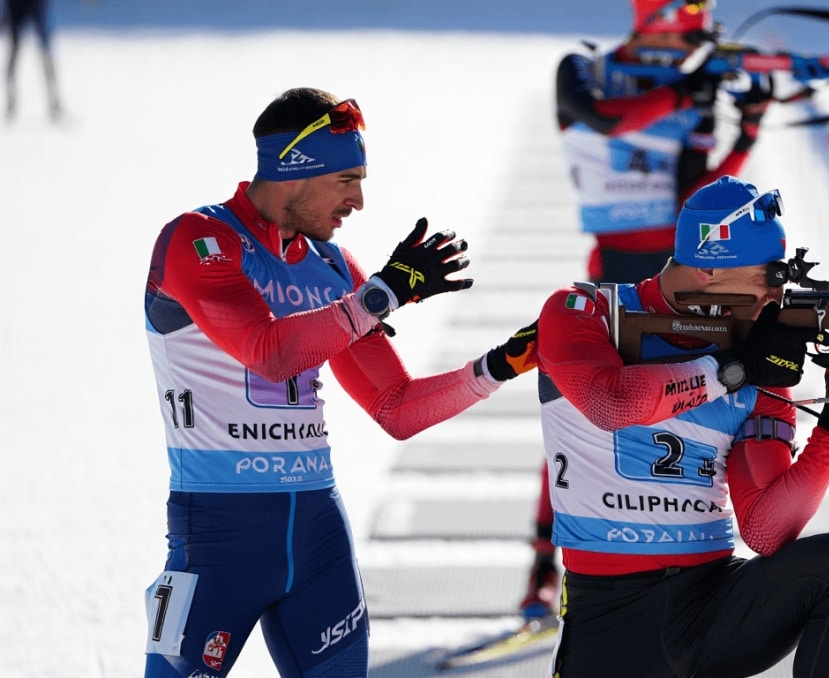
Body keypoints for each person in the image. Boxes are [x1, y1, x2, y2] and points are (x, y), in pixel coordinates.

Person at [141, 87, 537, 677]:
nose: (358, 200)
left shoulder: (330, 266)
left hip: (318, 535)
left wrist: (499, 366)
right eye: (346, 179)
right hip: (220, 533)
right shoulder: (200, 240)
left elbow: (396, 408)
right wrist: (379, 298)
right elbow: (268, 353)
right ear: (295, 168)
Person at [537, 175, 829, 677]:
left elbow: (766, 531)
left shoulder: (761, 364)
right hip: (607, 619)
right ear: (706, 267)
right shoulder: (584, 313)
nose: (778, 290)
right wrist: (734, 371)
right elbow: (610, 404)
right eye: (769, 274)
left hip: (709, 606)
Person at [519, 0, 774, 619]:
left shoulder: (689, 91)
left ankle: (682, 555)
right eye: (688, 9)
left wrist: (745, 129)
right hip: (614, 276)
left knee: (698, 407)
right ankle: (542, 567)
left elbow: (695, 195)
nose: (697, 20)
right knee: (575, 412)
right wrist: (689, 87)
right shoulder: (584, 70)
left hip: (682, 275)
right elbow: (603, 119)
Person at [3, 0, 62, 120]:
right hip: (18, 6)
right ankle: (11, 103)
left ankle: (55, 103)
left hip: (35, 5)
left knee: (45, 52)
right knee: (15, 52)